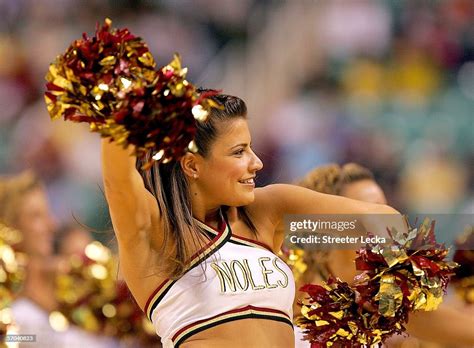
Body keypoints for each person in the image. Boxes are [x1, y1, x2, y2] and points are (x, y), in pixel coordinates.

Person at [101, 92, 409, 348]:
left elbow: (383, 222)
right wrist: (135, 101)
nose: (257, 162)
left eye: (251, 148)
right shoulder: (156, 234)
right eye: (239, 152)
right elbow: (118, 179)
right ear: (193, 165)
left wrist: (385, 294)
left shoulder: (267, 211)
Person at [289, 163, 474, 347]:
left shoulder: (388, 304)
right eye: (369, 214)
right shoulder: (286, 306)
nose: (385, 227)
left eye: (386, 210)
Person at [0, 171, 119, 348]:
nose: (52, 224)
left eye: (47, 213)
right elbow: (11, 339)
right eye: (36, 216)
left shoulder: (69, 279)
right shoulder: (10, 307)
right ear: (9, 227)